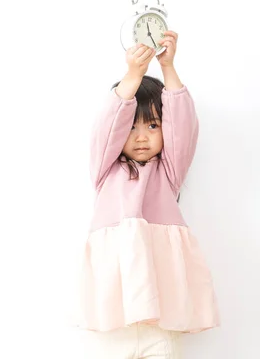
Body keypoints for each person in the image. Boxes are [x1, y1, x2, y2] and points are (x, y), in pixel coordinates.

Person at [76, 31, 220, 359]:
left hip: (161, 326)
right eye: (132, 127)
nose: (142, 137)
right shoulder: (105, 171)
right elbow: (107, 126)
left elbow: (182, 127)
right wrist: (132, 75)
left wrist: (168, 67)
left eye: (153, 126)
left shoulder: (168, 172)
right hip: (114, 325)